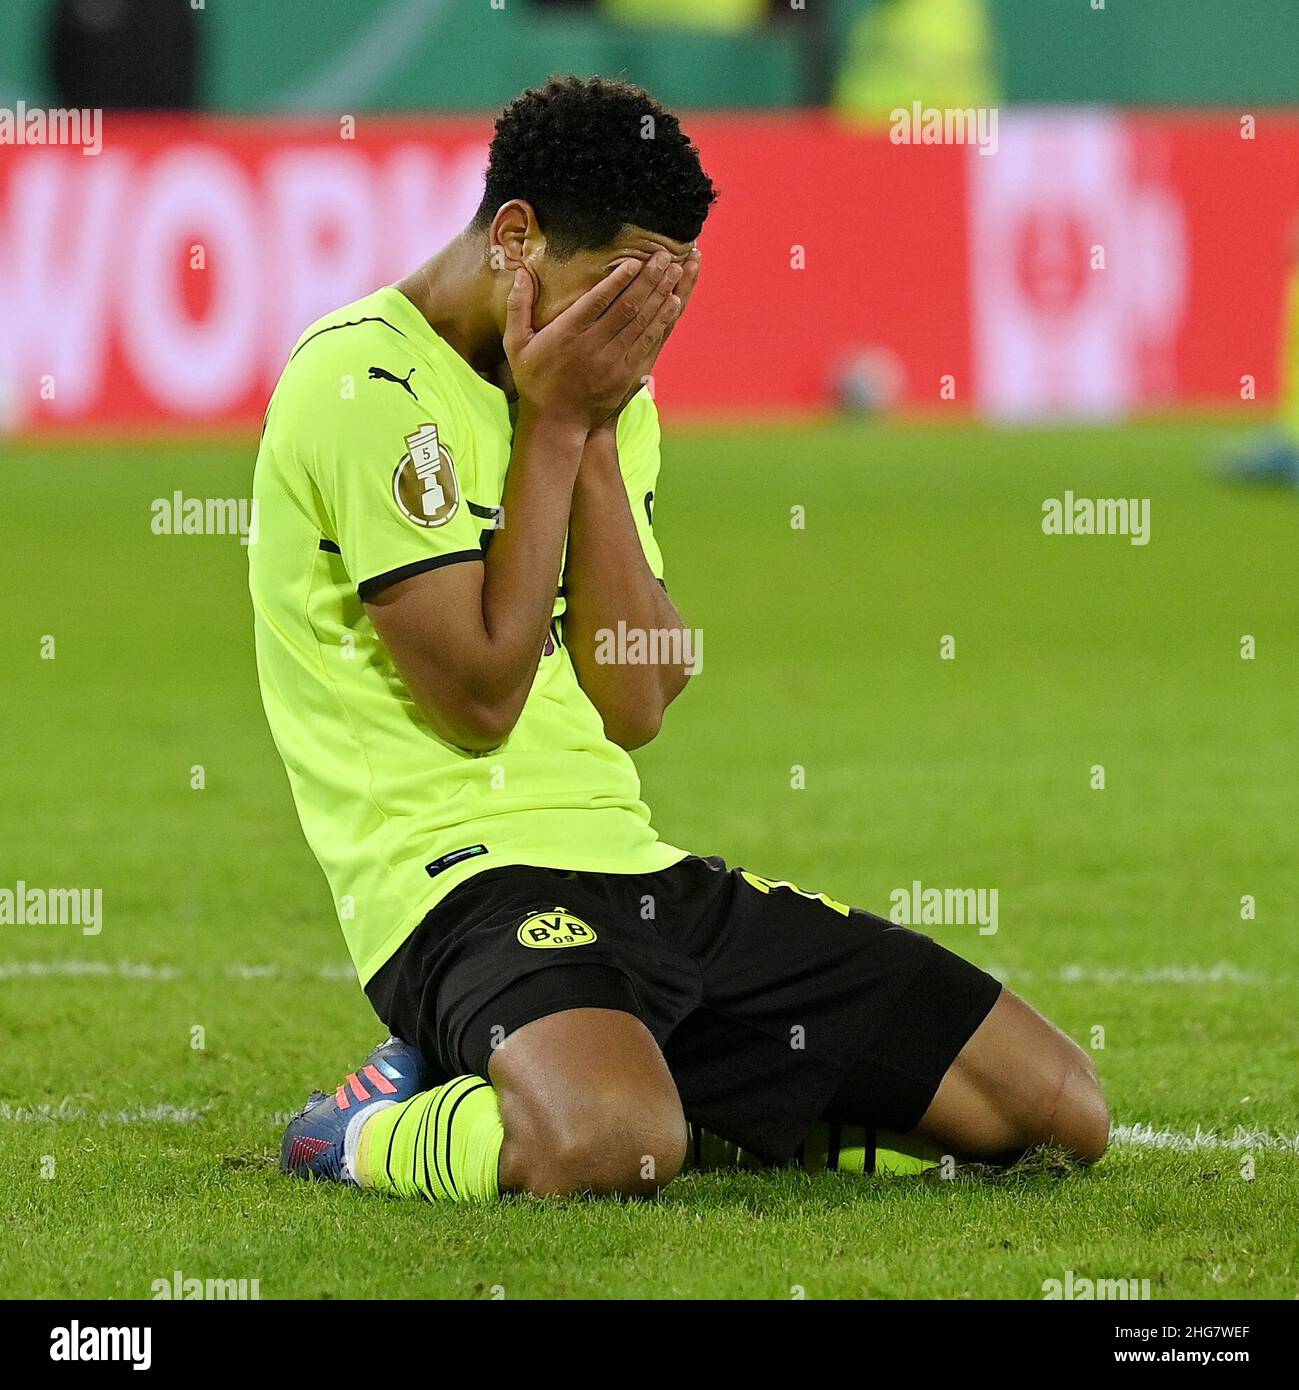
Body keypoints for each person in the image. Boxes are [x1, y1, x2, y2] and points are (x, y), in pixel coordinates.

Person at [250, 76, 1107, 1203]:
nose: (635, 331)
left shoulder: (602, 391)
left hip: (636, 870)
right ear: (517, 238)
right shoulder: (362, 382)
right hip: (458, 887)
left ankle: (696, 1087)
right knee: (611, 1144)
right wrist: (556, 421)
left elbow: (636, 703)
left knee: (1052, 1111)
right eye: (617, 292)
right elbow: (479, 699)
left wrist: (594, 425)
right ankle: (363, 1128)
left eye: (661, 302)